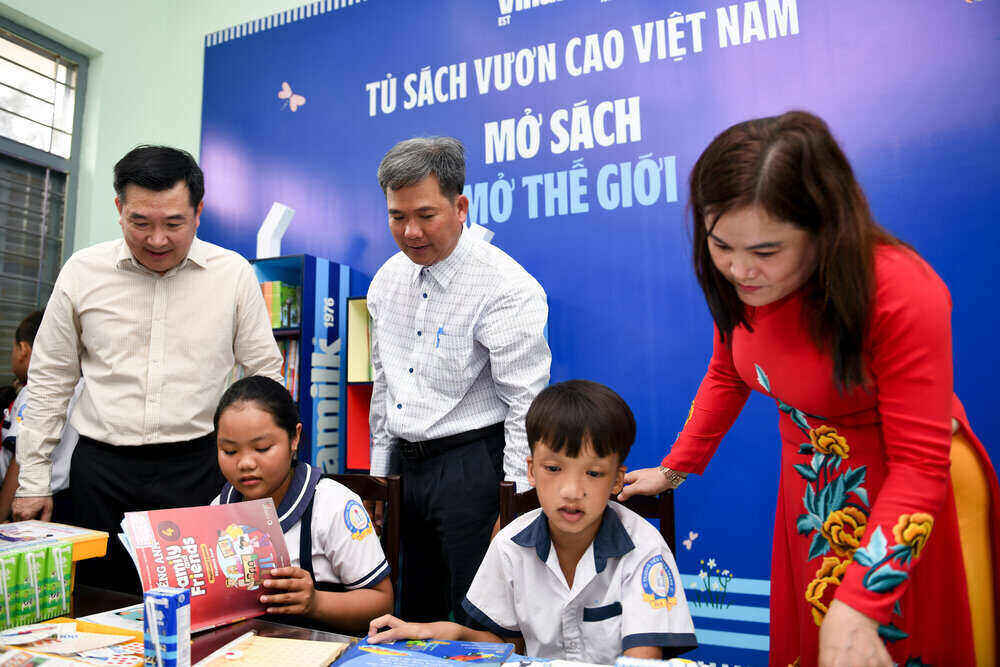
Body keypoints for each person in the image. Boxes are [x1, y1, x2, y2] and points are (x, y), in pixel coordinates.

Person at [618, 111, 1000, 666]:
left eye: (766, 251)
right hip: (814, 494)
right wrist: (675, 468)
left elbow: (921, 466)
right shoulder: (741, 284)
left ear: (825, 227)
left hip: (909, 496)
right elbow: (729, 371)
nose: (740, 270)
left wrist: (863, 601)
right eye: (721, 245)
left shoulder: (900, 291)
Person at [12, 145, 284, 592]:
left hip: (198, 472)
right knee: (96, 608)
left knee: (203, 610)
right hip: (100, 474)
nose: (157, 239)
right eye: (140, 222)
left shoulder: (232, 274)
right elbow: (49, 384)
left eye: (174, 223)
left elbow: (264, 379)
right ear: (119, 209)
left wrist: (266, 473)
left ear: (199, 211)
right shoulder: (82, 272)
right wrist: (32, 482)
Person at [367, 380, 697, 662]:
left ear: (616, 481)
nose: (571, 491)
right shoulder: (510, 543)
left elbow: (642, 660)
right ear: (530, 471)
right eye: (553, 469)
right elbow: (502, 647)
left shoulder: (643, 549)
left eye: (593, 473)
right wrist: (437, 631)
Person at [367, 136, 551, 622]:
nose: (410, 232)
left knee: (475, 620)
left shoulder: (506, 286)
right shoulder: (386, 282)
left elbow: (525, 407)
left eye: (425, 215)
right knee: (409, 614)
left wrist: (512, 509)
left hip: (474, 470)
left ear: (460, 206)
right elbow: (384, 388)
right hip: (406, 471)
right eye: (396, 216)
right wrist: (380, 482)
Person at [212, 376, 393, 633]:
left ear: (294, 438)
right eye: (230, 451)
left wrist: (317, 602)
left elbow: (383, 604)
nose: (245, 464)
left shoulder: (332, 505)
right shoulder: (219, 507)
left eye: (262, 448)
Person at [1, 311, 80, 523]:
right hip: (64, 496)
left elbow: (19, 460)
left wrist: (1, 515)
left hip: (29, 498)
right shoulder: (80, 386)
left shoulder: (34, 392)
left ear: (23, 350)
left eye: (13, 349)